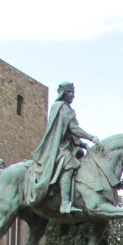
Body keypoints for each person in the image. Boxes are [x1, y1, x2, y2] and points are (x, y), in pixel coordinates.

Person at [28, 81, 99, 214]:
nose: (73, 96)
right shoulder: (61, 107)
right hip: (59, 147)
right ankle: (65, 204)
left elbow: (70, 131)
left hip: (68, 145)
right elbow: (72, 128)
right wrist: (90, 137)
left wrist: (80, 143)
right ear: (63, 93)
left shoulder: (67, 108)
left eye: (73, 93)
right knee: (69, 164)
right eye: (70, 92)